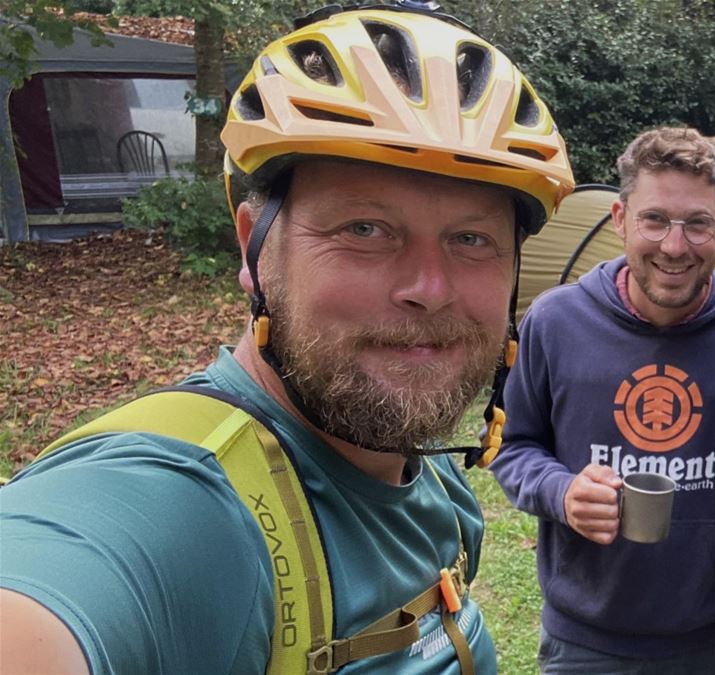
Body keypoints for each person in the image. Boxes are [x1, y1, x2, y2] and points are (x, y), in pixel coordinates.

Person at [0, 3, 574, 673]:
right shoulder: (178, 504)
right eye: (365, 228)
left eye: (472, 239)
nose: (430, 287)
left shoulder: (432, 472)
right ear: (253, 247)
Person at [490, 127, 715, 673]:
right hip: (580, 642)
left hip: (702, 642)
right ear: (620, 219)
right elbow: (513, 446)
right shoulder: (555, 322)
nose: (674, 245)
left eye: (697, 223)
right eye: (655, 219)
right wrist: (563, 491)